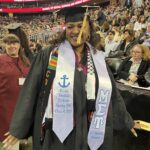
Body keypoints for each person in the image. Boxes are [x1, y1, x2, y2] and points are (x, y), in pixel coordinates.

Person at [3, 7, 140, 150]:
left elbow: (111, 93)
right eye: (70, 27)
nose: (75, 31)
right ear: (65, 29)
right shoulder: (49, 56)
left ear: (89, 29)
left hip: (89, 130)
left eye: (81, 26)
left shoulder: (97, 58)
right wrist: (18, 128)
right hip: (56, 133)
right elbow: (30, 90)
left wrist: (127, 121)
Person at [0, 34, 30, 149]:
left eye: (14, 43)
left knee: (19, 134)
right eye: (8, 43)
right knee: (9, 139)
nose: (12, 46)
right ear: (4, 45)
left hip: (22, 105)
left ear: (19, 45)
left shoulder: (25, 61)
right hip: (5, 106)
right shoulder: (1, 60)